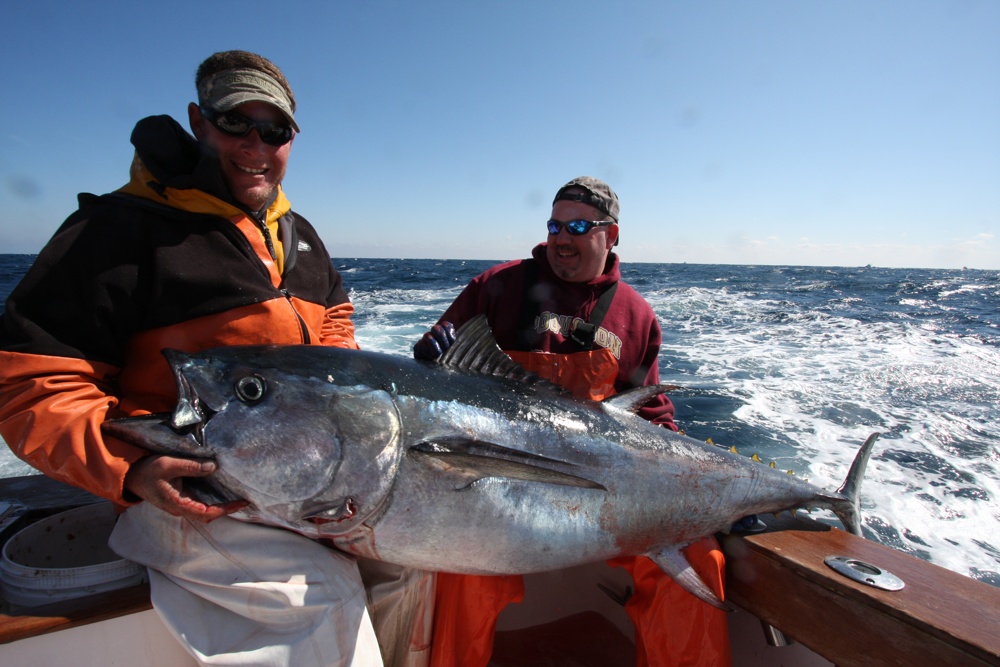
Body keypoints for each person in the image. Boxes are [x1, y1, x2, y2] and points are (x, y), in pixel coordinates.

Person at [0, 50, 394, 667]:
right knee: (319, 597)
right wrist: (130, 468)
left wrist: (338, 398)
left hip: (299, 484)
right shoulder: (115, 232)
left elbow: (336, 329)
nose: (255, 144)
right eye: (237, 123)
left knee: (415, 565)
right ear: (198, 121)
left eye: (275, 130)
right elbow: (32, 386)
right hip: (188, 495)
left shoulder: (301, 237)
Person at [412, 177, 731, 667]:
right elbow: (441, 364)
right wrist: (430, 352)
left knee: (700, 561)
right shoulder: (496, 287)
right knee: (461, 570)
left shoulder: (636, 317)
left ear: (612, 235)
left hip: (604, 497)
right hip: (502, 490)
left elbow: (654, 419)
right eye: (555, 225)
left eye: (578, 226)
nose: (561, 238)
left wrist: (715, 492)